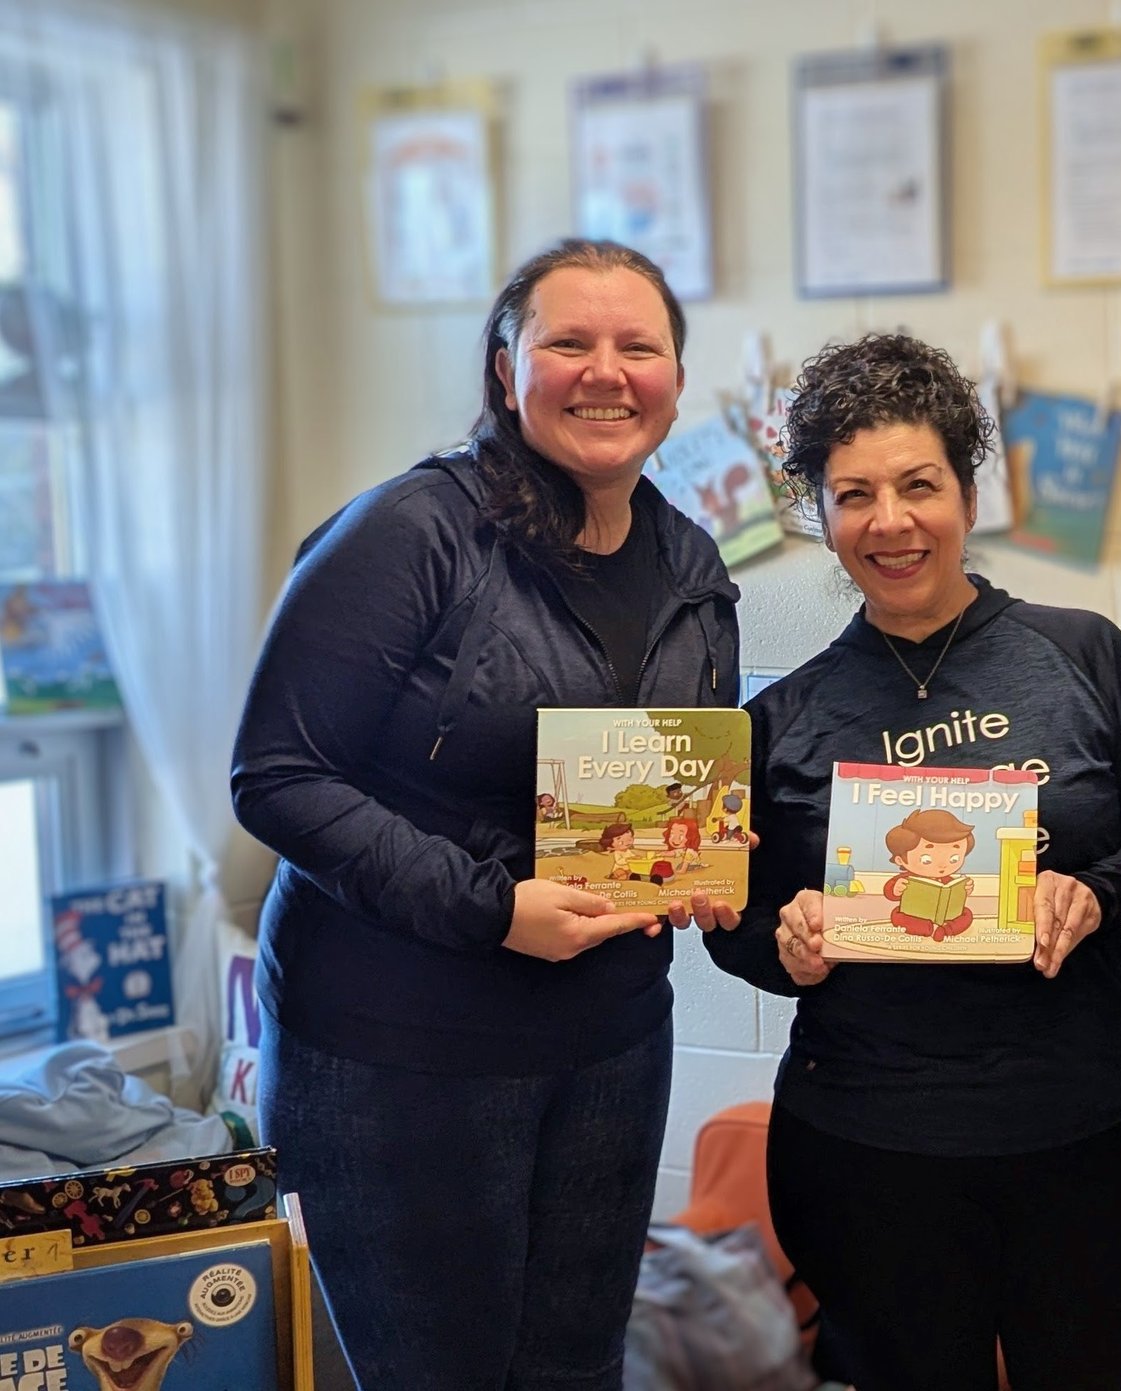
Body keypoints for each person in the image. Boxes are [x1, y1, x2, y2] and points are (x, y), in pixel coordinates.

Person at [231, 240, 742, 1391]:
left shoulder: (691, 560)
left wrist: (703, 853)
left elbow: (674, 773)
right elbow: (277, 774)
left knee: (578, 1369)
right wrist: (491, 907)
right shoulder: (409, 531)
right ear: (507, 370)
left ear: (673, 378)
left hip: (612, 1038)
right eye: (568, 342)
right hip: (399, 1047)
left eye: (638, 346)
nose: (605, 371)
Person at [703, 332, 1121, 1391]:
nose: (889, 520)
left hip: (1077, 1137)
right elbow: (736, 925)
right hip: (864, 1150)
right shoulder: (782, 716)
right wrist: (785, 943)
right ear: (820, 516)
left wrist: (1096, 889)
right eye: (853, 495)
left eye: (918, 484)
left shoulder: (1082, 651)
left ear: (968, 496)